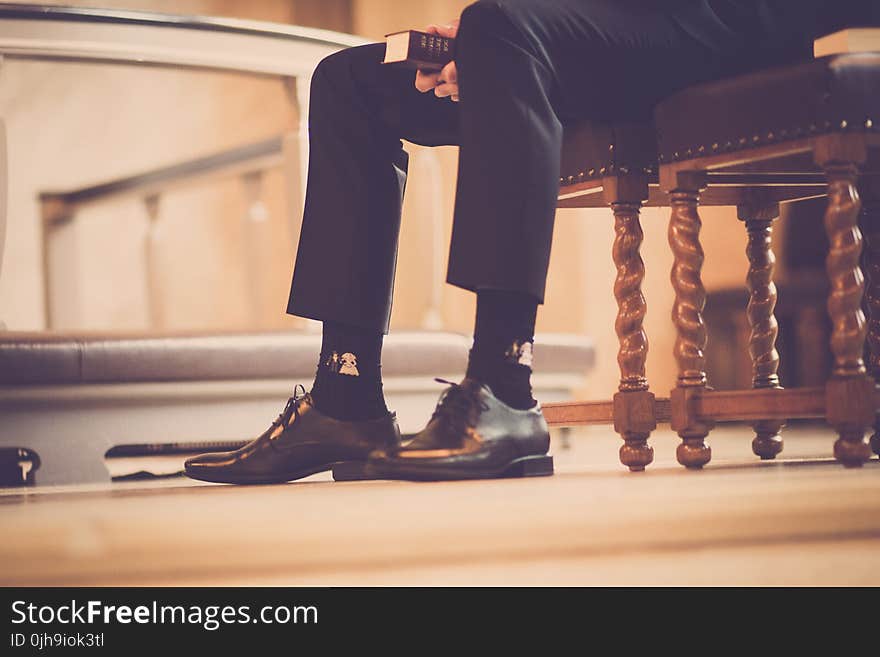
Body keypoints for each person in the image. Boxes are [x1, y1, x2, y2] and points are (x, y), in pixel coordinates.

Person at [184, 0, 877, 484]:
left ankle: (505, 386)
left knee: (499, 31)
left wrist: (499, 28)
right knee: (348, 80)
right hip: (605, 24)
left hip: (723, 22)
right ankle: (345, 396)